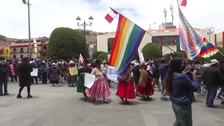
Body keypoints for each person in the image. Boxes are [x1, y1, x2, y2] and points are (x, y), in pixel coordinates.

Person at [165, 58, 197, 126]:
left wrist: (184, 74)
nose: (183, 65)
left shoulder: (170, 74)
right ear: (178, 65)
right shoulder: (182, 76)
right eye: (182, 63)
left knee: (179, 121)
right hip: (183, 104)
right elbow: (195, 88)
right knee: (186, 123)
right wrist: (194, 77)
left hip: (175, 103)